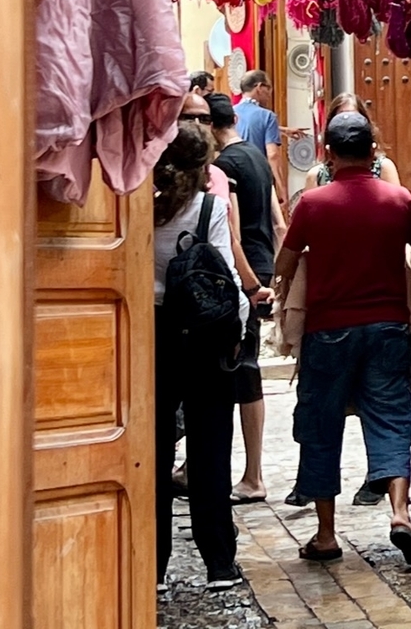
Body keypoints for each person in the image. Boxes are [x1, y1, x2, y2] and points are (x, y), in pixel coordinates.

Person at [273, 112, 411, 570]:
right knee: (392, 418)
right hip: (387, 327)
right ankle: (401, 515)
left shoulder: (313, 203)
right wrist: (402, 264)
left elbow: (284, 263)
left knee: (321, 426)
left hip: (327, 330)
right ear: (372, 152)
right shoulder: (397, 199)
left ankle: (326, 534)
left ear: (328, 154)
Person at [153, 121, 247, 590]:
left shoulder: (143, 208)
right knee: (211, 448)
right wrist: (239, 328)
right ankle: (219, 562)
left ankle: (151, 564)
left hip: (153, 332)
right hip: (206, 334)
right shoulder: (208, 207)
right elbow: (226, 273)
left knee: (152, 449)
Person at [208, 91, 282, 505]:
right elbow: (276, 218)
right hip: (262, 261)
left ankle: (253, 475)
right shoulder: (255, 156)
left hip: (243, 270)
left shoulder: (225, 166)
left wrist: (249, 285)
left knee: (241, 369)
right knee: (245, 367)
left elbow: (230, 230)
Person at [235, 70, 287, 207]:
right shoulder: (267, 116)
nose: (270, 93)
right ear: (259, 87)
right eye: (268, 88)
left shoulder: (229, 113)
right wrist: (282, 188)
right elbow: (273, 155)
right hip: (256, 181)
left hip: (231, 180)